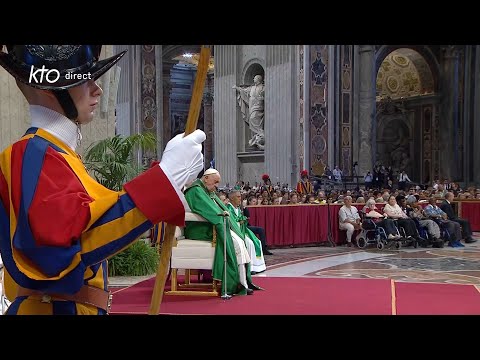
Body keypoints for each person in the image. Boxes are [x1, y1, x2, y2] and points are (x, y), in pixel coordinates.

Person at [0, 45, 206, 315]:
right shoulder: (32, 153)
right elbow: (57, 255)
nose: (97, 90)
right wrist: (164, 180)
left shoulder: (56, 154)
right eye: (85, 80)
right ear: (49, 88)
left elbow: (95, 217)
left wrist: (168, 179)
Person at [183, 169, 262, 296]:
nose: (216, 186)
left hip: (209, 225)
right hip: (199, 229)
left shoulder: (206, 190)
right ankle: (235, 283)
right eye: (215, 182)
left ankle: (242, 283)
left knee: (241, 242)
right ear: (206, 178)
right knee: (236, 244)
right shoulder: (196, 190)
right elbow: (208, 211)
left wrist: (226, 218)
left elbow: (217, 208)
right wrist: (221, 218)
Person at [226, 189, 267, 273]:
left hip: (242, 230)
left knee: (257, 241)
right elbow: (232, 221)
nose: (240, 198)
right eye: (238, 197)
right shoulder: (229, 208)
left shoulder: (237, 208)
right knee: (250, 244)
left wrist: (243, 220)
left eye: (240, 196)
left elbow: (242, 218)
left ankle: (258, 266)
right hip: (235, 232)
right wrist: (240, 220)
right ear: (232, 198)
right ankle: (250, 268)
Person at [233, 74, 265, 150]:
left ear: (258, 79)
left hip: (259, 107)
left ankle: (261, 134)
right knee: (251, 119)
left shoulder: (263, 87)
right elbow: (243, 91)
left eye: (255, 78)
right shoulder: (252, 88)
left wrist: (261, 98)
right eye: (253, 78)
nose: (254, 79)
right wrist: (237, 88)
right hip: (252, 106)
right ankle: (258, 136)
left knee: (254, 118)